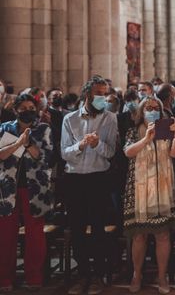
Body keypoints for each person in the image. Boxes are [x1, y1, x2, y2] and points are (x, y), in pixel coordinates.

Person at [61, 76, 118, 295]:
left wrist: (97, 145)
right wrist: (81, 145)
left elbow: (111, 152)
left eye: (105, 93)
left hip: (98, 178)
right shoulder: (70, 119)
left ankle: (98, 274)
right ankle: (82, 272)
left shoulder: (110, 118)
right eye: (99, 93)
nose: (103, 97)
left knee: (97, 227)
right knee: (76, 227)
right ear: (88, 94)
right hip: (75, 178)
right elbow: (64, 153)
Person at [123, 96, 175, 293]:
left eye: (155, 107)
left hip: (163, 188)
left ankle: (162, 276)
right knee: (139, 235)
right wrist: (146, 138)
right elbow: (128, 152)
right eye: (148, 107)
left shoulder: (166, 129)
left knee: (163, 235)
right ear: (142, 111)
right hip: (140, 189)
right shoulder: (133, 130)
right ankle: (136, 275)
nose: (152, 110)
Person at [0, 95, 53, 291]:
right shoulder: (5, 128)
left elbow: (45, 157)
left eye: (32, 107)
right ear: (16, 110)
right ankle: (5, 278)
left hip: (35, 189)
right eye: (24, 107)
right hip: (7, 189)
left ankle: (34, 277)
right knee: (5, 235)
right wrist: (17, 143)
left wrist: (29, 143)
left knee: (35, 236)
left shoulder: (43, 129)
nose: (28, 110)